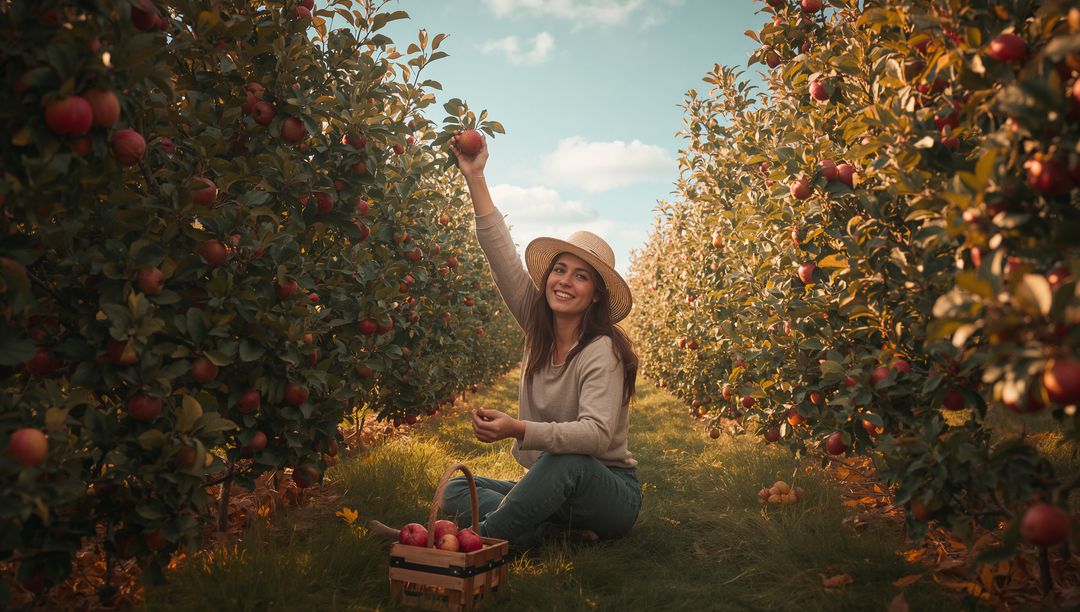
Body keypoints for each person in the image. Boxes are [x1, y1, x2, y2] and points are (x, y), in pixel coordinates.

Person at [439, 131, 642, 549]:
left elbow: (595, 437)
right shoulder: (538, 329)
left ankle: (476, 546)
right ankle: (550, 534)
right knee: (456, 490)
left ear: (596, 293)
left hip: (607, 492)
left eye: (581, 276)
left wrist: (519, 428)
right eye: (560, 270)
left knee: (564, 459)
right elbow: (502, 259)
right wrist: (475, 177)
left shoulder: (601, 350)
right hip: (552, 481)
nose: (565, 282)